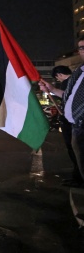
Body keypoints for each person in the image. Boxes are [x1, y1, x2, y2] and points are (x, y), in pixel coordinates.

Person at [39, 36, 84, 184]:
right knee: (79, 156)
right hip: (77, 124)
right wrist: (51, 89)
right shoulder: (80, 72)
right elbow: (68, 96)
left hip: (81, 123)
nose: (82, 51)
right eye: (80, 48)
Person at [47, 65, 83, 187]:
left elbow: (67, 98)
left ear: (59, 75)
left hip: (73, 122)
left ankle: (79, 178)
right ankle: (77, 176)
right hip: (74, 121)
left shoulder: (70, 81)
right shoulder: (76, 79)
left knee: (75, 150)